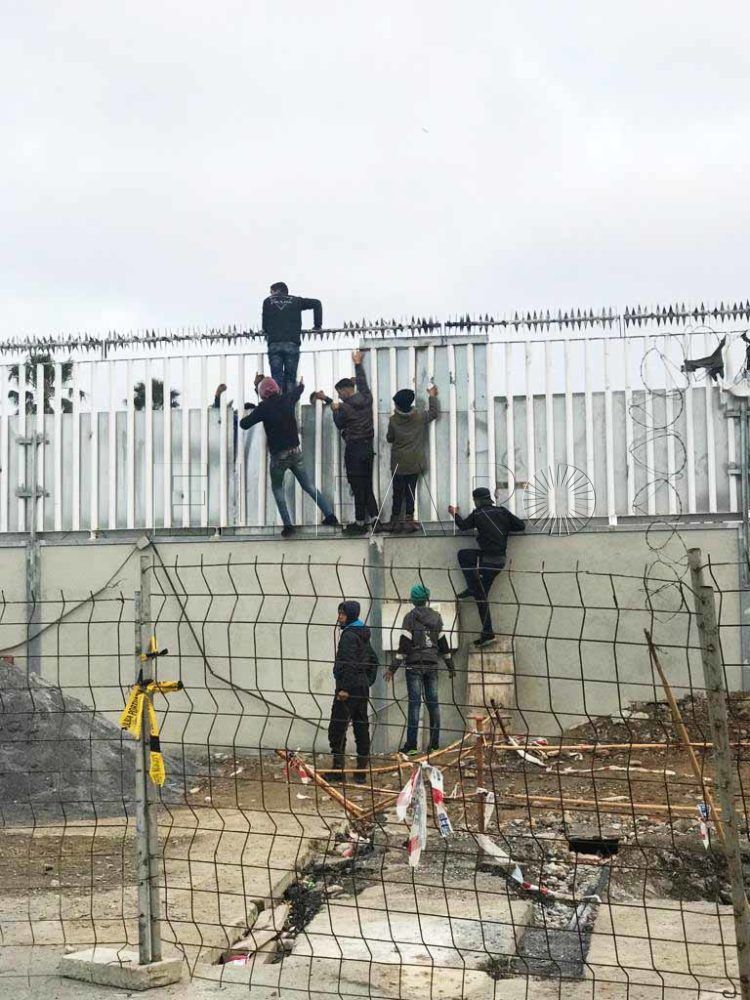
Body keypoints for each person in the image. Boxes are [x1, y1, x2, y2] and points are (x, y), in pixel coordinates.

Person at [239, 375, 338, 537]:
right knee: (308, 486)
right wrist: (301, 384)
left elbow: (244, 425)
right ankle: (330, 515)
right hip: (295, 452)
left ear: (262, 393)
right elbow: (299, 391)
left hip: (279, 457)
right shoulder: (287, 399)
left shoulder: (264, 408)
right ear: (276, 388)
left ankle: (288, 526)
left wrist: (252, 412)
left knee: (278, 489)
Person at [312, 350, 379, 535]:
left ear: (344, 390)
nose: (339, 396)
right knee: (366, 484)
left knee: (357, 485)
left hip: (354, 450)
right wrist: (358, 364)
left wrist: (334, 409)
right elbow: (363, 383)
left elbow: (340, 423)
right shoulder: (366, 398)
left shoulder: (344, 407)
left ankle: (359, 523)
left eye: (339, 393)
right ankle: (374, 518)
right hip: (367, 448)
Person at [449, 488, 525, 646]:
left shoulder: (478, 514)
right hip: (500, 561)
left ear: (476, 500)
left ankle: (472, 588)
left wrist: (454, 513)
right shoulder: (502, 512)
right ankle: (487, 632)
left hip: (487, 562)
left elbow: (463, 526)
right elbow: (520, 526)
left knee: (463, 555)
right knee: (480, 596)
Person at [385, 583, 454, 755]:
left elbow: (404, 645)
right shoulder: (437, 617)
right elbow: (443, 643)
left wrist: (392, 668)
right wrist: (451, 666)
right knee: (434, 705)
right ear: (427, 599)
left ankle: (412, 746)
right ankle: (435, 745)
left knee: (414, 705)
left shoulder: (410, 617)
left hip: (414, 665)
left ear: (413, 600)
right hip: (432, 664)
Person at [325, 600, 379, 784]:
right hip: (361, 688)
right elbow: (374, 659)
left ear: (350, 615)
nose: (339, 617)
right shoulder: (362, 633)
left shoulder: (349, 636)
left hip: (348, 690)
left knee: (337, 728)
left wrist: (344, 688)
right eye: (339, 613)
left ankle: (338, 769)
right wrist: (367, 681)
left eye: (342, 614)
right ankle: (361, 771)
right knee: (361, 725)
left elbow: (347, 663)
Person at [378, 385, 439, 533]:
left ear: (398, 405)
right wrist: (432, 396)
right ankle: (409, 520)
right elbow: (433, 413)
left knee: (397, 492)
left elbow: (390, 438)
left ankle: (395, 521)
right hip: (414, 462)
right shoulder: (419, 417)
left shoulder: (393, 420)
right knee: (411, 490)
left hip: (399, 463)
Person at [262, 282, 323, 393]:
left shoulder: (267, 301)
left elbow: (265, 324)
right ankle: (289, 405)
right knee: (290, 379)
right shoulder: (296, 301)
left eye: (271, 292)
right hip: (292, 343)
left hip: (274, 343)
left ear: (275, 290)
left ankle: (277, 404)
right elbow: (316, 303)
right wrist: (317, 325)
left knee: (276, 379)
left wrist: (267, 330)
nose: (271, 295)